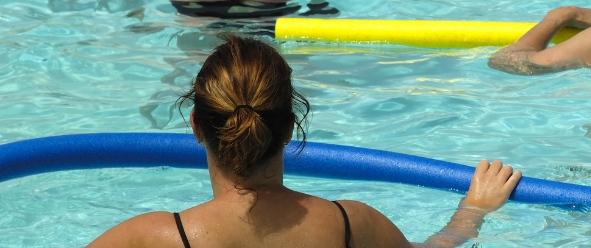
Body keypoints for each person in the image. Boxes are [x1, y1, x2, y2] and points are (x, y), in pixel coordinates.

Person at [87, 34, 522, 248]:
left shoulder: (153, 237)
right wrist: (473, 210)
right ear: (291, 126)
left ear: (197, 125)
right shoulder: (352, 225)